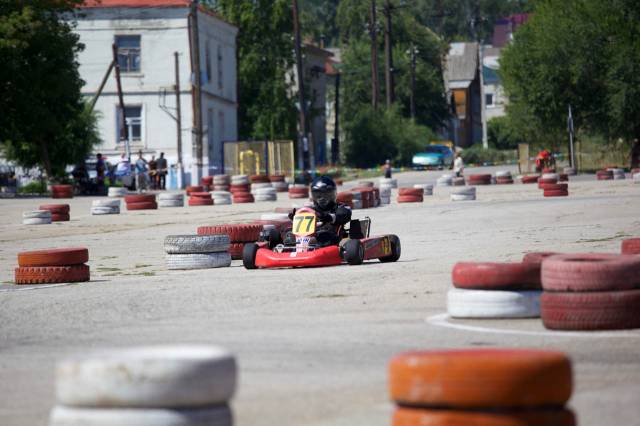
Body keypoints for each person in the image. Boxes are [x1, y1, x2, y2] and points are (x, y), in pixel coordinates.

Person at [286, 176, 352, 247]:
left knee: (323, 237)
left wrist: (329, 217)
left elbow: (343, 214)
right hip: (307, 237)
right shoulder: (310, 209)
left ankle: (311, 245)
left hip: (331, 237)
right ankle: (287, 248)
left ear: (334, 194)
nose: (322, 198)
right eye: (318, 195)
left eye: (326, 195)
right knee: (288, 236)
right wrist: (295, 219)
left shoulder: (341, 207)